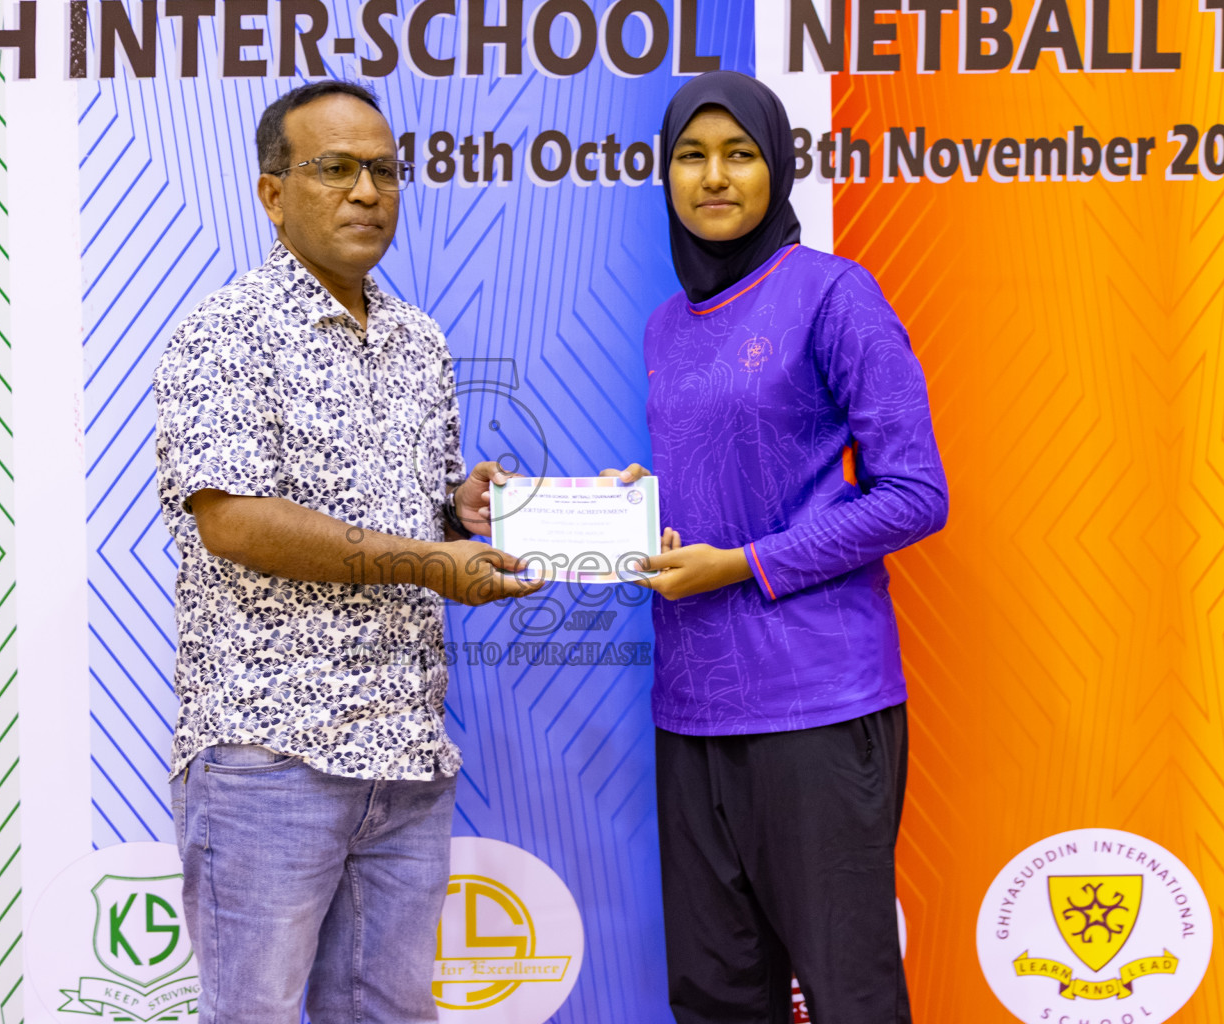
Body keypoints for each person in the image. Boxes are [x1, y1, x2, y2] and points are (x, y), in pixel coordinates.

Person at [152, 81, 540, 1024]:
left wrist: (464, 514)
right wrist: (427, 562)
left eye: (384, 171)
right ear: (273, 193)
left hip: (406, 753)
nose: (367, 191)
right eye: (334, 169)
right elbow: (233, 518)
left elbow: (423, 522)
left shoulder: (418, 341)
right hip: (271, 755)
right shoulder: (223, 332)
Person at [605, 71, 948, 1023]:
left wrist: (746, 565)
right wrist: (630, 511)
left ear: (778, 169)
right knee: (715, 995)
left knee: (847, 993)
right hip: (692, 705)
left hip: (816, 703)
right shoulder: (667, 326)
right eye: (690, 156)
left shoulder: (836, 295)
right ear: (665, 174)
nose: (714, 178)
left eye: (740, 155)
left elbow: (917, 494)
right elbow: (732, 479)